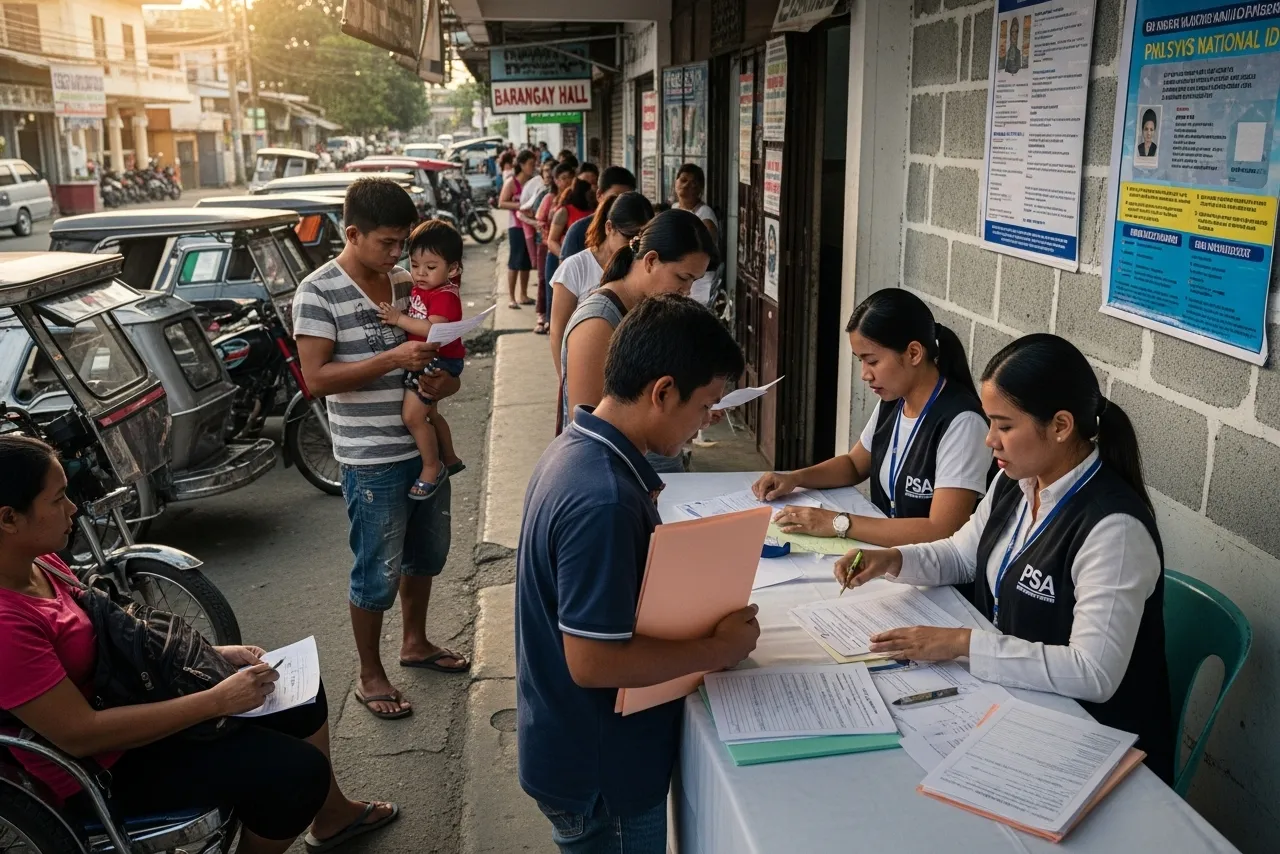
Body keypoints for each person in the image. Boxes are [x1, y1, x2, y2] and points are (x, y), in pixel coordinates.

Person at [0, 435, 400, 853]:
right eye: (59, 499)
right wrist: (216, 700)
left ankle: (333, 817)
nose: (72, 509)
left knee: (294, 689)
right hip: (104, 767)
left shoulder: (41, 562)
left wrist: (216, 657)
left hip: (126, 702)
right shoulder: (6, 627)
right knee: (297, 775)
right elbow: (81, 735)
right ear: (9, 518)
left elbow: (113, 639)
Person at [836, 333, 1174, 783]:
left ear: (1060, 425)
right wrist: (893, 559)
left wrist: (960, 644)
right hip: (1018, 703)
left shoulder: (1114, 529)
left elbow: (1093, 672)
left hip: (1092, 741)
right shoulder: (1017, 482)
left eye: (1004, 426)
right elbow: (962, 553)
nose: (989, 441)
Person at [517, 295, 758, 854]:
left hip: (577, 747)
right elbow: (592, 660)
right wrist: (715, 650)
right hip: (603, 773)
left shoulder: (576, 450)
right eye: (705, 406)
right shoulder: (603, 498)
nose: (703, 426)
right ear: (663, 391)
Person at [294, 179, 469, 723]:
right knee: (377, 570)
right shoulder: (318, 292)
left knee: (426, 555)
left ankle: (413, 642)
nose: (399, 256)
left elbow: (441, 361)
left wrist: (445, 384)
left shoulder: (406, 286)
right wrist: (394, 360)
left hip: (421, 449)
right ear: (353, 233)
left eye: (404, 246)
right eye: (389, 244)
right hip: (371, 459)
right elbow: (316, 379)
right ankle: (371, 673)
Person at [755, 290, 992, 547]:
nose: (864, 375)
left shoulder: (962, 422)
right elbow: (855, 465)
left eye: (873, 361)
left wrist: (837, 523)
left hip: (935, 578)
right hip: (886, 557)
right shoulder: (893, 401)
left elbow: (942, 529)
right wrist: (794, 478)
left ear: (913, 353)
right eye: (860, 361)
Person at [559, 209, 717, 473]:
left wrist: (693, 411)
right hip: (615, 477)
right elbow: (588, 427)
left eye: (694, 281)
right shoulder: (597, 322)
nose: (687, 291)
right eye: (682, 278)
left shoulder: (655, 309)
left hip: (652, 472)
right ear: (651, 260)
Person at [376, 219, 468, 500]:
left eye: (430, 267)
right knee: (430, 414)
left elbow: (433, 331)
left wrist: (398, 319)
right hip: (432, 360)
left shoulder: (445, 296)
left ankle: (431, 467)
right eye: (415, 265)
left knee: (412, 417)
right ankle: (450, 458)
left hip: (436, 362)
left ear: (452, 268)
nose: (420, 274)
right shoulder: (427, 289)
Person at [549, 191, 655, 377]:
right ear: (609, 228)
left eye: (641, 241)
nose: (634, 247)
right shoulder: (575, 268)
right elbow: (558, 333)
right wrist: (564, 379)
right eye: (629, 238)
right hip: (584, 370)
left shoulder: (642, 267)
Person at [558, 166, 638, 263]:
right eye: (615, 197)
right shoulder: (578, 231)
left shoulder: (637, 231)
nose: (621, 204)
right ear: (599, 195)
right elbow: (566, 272)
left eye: (626, 198)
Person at [671, 163, 720, 305]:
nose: (686, 185)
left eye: (693, 183)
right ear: (676, 182)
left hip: (699, 280)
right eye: (683, 180)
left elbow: (707, 251)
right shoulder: (674, 208)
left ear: (699, 189)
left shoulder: (705, 214)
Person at [498, 150, 538, 309]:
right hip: (516, 226)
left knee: (526, 261)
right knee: (515, 261)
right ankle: (512, 297)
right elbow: (502, 203)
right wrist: (520, 206)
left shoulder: (534, 182)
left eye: (534, 164)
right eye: (530, 164)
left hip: (530, 225)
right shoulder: (512, 182)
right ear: (521, 165)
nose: (533, 167)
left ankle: (523, 294)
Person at [524, 159, 558, 334]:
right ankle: (542, 314)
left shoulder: (569, 196)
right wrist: (540, 225)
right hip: (544, 243)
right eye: (547, 174)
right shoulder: (545, 195)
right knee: (544, 279)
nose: (551, 178)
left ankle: (555, 318)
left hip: (562, 244)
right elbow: (528, 213)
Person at [538, 162, 577, 304]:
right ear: (556, 180)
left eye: (570, 178)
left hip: (566, 252)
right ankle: (543, 318)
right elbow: (540, 220)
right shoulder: (551, 199)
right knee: (549, 287)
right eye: (564, 178)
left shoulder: (577, 201)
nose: (567, 181)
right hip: (553, 248)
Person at [546, 177, 595, 260]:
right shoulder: (564, 212)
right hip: (560, 258)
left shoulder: (594, 211)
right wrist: (566, 258)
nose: (593, 195)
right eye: (590, 192)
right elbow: (551, 241)